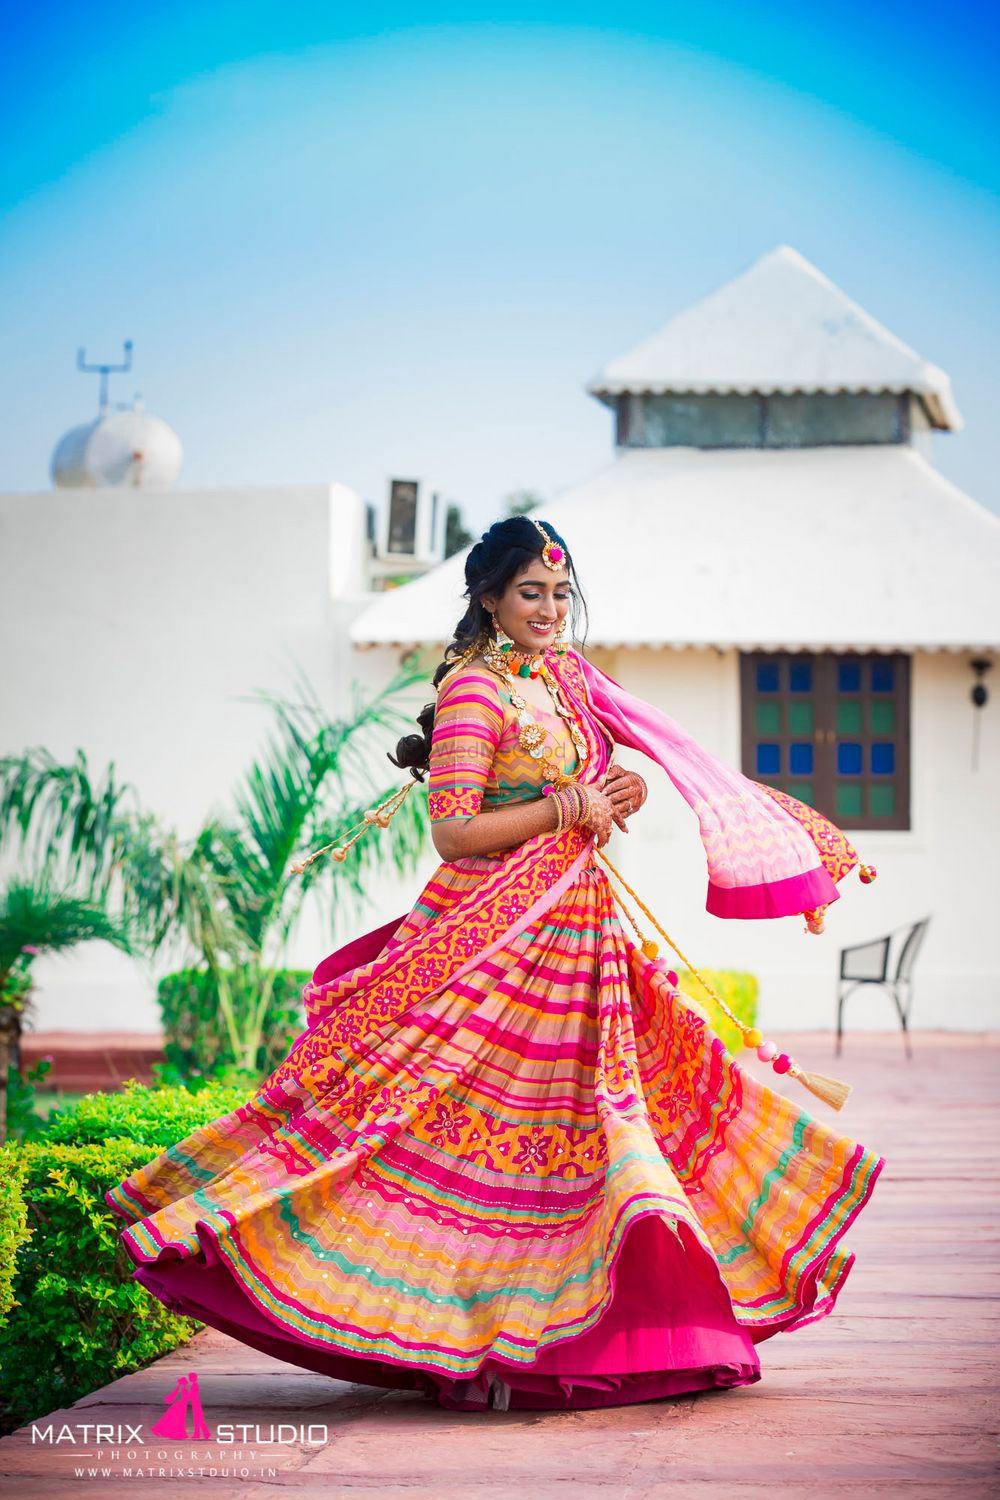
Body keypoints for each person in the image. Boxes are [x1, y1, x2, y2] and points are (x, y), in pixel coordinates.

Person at [107, 516, 883, 1412]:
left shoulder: (562, 678)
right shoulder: (477, 690)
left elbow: (591, 784)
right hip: (491, 939)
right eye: (531, 594)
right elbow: (454, 829)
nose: (551, 609)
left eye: (561, 593)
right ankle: (472, 1341)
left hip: (576, 932)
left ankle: (573, 1336)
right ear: (489, 598)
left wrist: (618, 789)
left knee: (585, 1139)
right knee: (460, 1129)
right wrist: (568, 806)